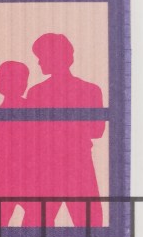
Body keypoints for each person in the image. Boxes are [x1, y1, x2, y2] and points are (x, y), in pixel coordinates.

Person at [21, 33, 104, 227]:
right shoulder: (89, 90)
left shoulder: (38, 92)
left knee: (89, 225)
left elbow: (98, 131)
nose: (39, 62)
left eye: (41, 57)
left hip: (70, 165)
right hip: (61, 164)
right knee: (37, 225)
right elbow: (95, 130)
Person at [0, 61, 31, 227]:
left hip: (28, 179)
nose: (20, 84)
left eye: (22, 79)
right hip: (3, 178)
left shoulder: (35, 111)